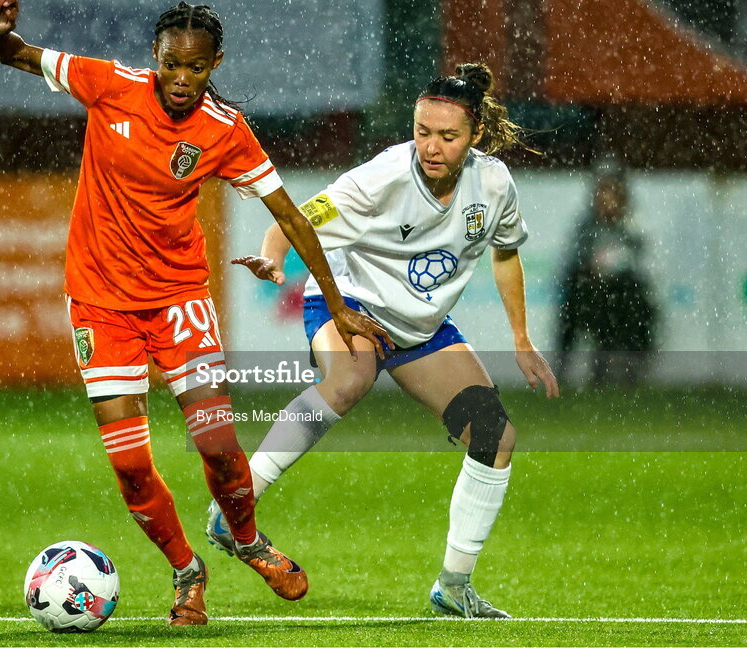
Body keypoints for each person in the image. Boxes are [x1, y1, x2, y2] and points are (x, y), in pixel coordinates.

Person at [0, 0, 388, 626]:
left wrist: (336, 304)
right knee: (130, 467)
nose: (181, 79)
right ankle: (186, 572)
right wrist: (2, 33)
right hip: (100, 303)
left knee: (220, 446)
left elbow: (288, 212)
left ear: (214, 65)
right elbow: (17, 56)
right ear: (155, 56)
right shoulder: (108, 84)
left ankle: (247, 539)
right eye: (172, 64)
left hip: (178, 299)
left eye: (195, 69)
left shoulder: (224, 129)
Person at [205, 63, 560, 618]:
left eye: (448, 136)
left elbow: (507, 251)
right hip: (351, 308)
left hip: (420, 331)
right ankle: (232, 509)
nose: (431, 147)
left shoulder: (493, 185)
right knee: (350, 378)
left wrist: (521, 337)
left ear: (476, 137)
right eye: (422, 131)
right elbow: (293, 221)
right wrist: (273, 260)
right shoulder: (383, 178)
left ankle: (454, 586)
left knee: (495, 435)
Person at [555, 170, 657, 385]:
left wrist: (613, 269)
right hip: (592, 293)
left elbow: (641, 262)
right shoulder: (586, 225)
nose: (605, 201)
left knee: (632, 301)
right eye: (602, 194)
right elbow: (575, 257)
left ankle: (629, 369)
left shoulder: (632, 225)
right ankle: (566, 371)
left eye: (610, 194)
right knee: (579, 297)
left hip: (622, 293)